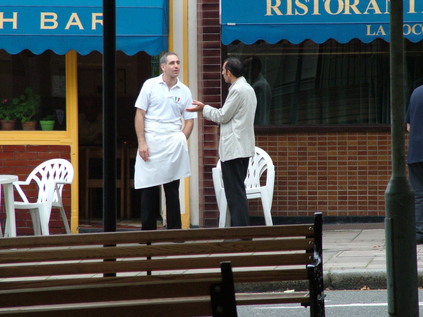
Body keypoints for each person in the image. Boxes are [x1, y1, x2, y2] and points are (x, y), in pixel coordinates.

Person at [187, 57, 257, 226]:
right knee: (238, 191)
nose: (222, 73)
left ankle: (241, 232)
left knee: (235, 193)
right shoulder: (248, 88)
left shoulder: (237, 90)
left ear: (229, 72)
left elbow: (222, 116)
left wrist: (204, 108)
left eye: (223, 70)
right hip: (243, 148)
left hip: (234, 149)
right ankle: (242, 232)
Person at [134, 52, 196, 230]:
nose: (176, 66)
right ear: (163, 67)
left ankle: (174, 233)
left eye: (178, 62)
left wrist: (182, 139)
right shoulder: (150, 85)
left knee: (172, 189)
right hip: (151, 141)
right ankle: (148, 234)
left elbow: (189, 120)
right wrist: (142, 142)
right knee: (149, 188)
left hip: (173, 143)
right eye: (172, 63)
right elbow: (140, 114)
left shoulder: (184, 90)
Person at [406, 84, 423, 244]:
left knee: (419, 194)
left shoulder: (416, 92)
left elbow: (409, 126)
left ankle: (419, 233)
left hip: (416, 152)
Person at [244, 56, 272, 125]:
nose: (244, 70)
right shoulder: (256, 84)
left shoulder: (259, 86)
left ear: (255, 68)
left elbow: (259, 113)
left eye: (246, 67)